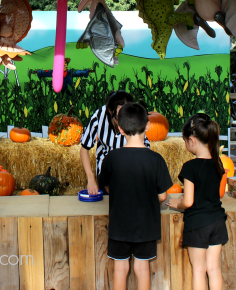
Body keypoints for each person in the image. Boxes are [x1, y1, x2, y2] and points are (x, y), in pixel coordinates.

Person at [97, 102, 173, 290]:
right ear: (148, 125)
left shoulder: (112, 158)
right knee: (142, 268)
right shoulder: (156, 159)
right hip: (146, 225)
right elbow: (163, 196)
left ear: (120, 128)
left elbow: (106, 185)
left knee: (120, 269)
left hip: (119, 224)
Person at [166, 113, 228, 290]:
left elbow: (189, 201)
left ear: (192, 140)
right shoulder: (218, 164)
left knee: (199, 271)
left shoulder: (190, 167)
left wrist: (177, 203)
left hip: (198, 224)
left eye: (185, 140)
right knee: (214, 269)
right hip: (217, 221)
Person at [79, 90, 151, 196]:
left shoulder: (135, 115)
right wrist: (91, 179)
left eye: (126, 117)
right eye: (119, 118)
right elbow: (84, 148)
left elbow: (145, 151)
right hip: (107, 175)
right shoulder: (99, 115)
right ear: (110, 111)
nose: (123, 123)